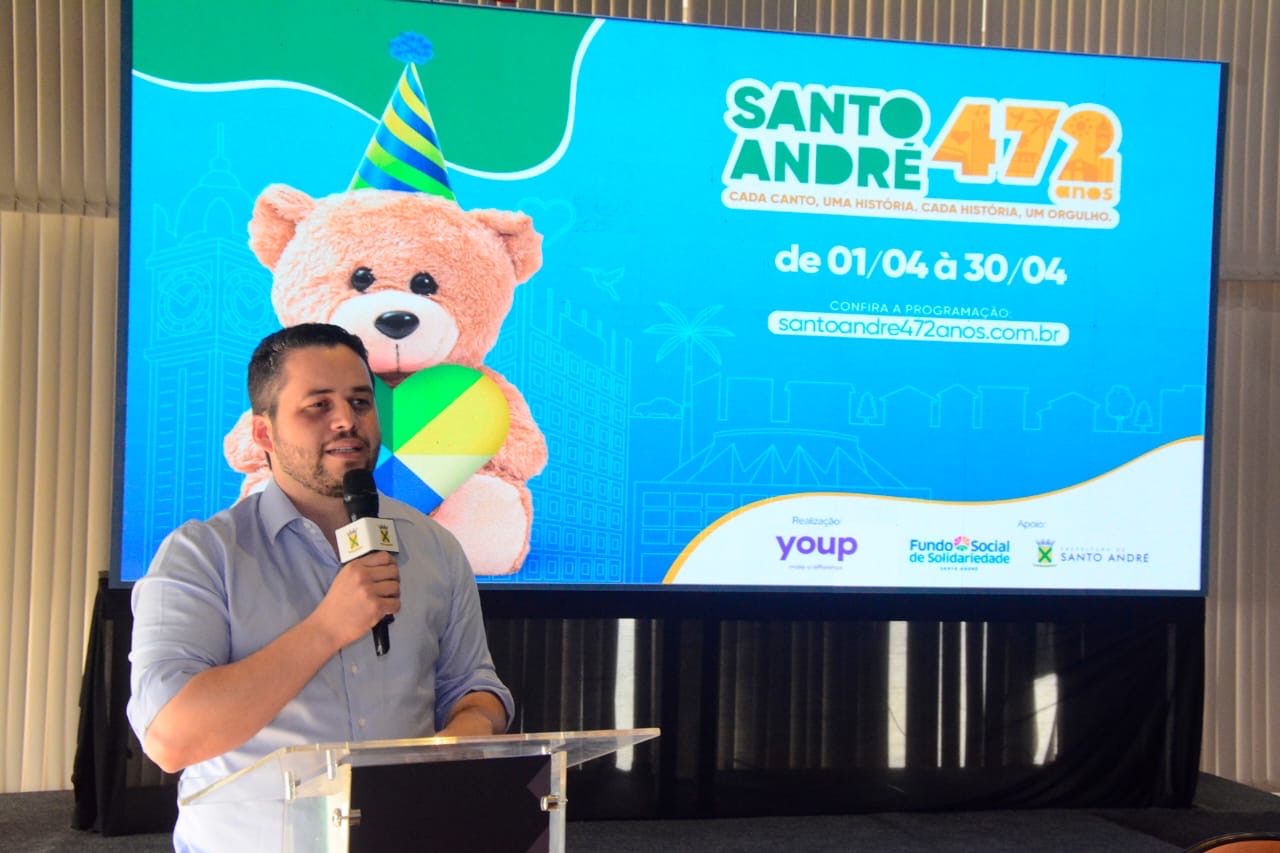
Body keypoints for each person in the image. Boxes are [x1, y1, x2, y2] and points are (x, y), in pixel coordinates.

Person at [127, 323, 513, 852]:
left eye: (360, 402)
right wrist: (328, 628)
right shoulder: (203, 555)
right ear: (264, 434)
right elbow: (172, 739)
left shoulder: (433, 546)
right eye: (318, 405)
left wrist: (471, 726)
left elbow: (473, 685)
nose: (346, 420)